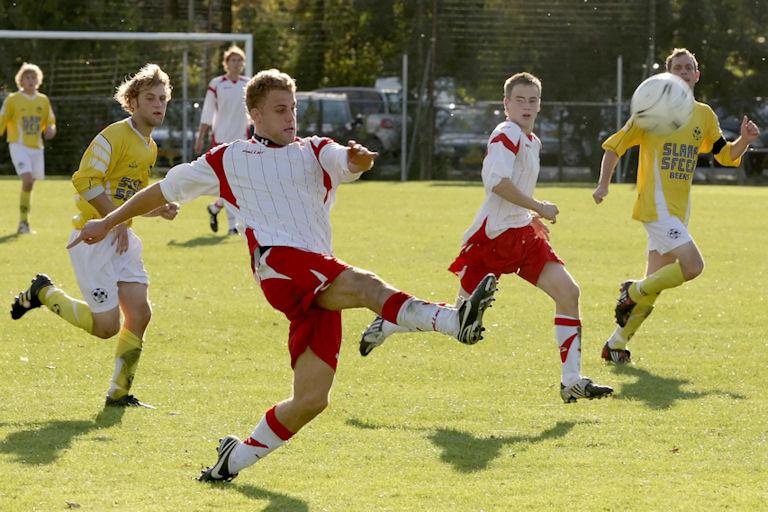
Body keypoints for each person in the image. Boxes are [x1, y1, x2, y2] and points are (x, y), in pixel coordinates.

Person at [67, 68, 498, 481]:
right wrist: (106, 222)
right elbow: (160, 191)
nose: (289, 117)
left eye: (292, 108)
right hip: (279, 265)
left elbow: (344, 161)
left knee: (311, 400)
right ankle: (451, 320)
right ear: (253, 115)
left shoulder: (314, 149)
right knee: (367, 285)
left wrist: (357, 159)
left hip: (318, 275)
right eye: (279, 109)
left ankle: (231, 461)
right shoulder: (227, 158)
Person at [359, 72, 613, 404]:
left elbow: (513, 189)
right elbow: (496, 182)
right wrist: (537, 205)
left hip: (522, 235)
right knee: (461, 324)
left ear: (540, 104)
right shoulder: (506, 133)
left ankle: (572, 381)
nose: (526, 105)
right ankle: (394, 319)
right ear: (506, 104)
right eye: (519, 100)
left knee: (568, 292)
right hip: (492, 238)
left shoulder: (531, 140)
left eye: (532, 100)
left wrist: (531, 216)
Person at [10, 64, 179, 409]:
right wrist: (112, 220)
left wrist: (156, 210)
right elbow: (84, 180)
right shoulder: (113, 136)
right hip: (93, 238)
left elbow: (130, 200)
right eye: (150, 98)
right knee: (105, 327)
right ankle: (44, 292)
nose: (158, 105)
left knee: (140, 313)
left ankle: (119, 393)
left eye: (163, 99)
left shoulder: (149, 147)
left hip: (121, 239)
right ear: (132, 102)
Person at [593, 48, 760, 364]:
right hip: (656, 208)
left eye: (689, 68)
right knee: (693, 267)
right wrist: (604, 184)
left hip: (678, 211)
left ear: (697, 74)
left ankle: (616, 344)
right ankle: (632, 291)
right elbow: (614, 147)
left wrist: (745, 140)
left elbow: (725, 155)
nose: (684, 72)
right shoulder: (652, 110)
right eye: (678, 68)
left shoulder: (704, 115)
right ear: (668, 75)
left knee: (655, 285)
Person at [194, 44, 251, 235]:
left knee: (240, 184)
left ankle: (216, 207)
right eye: (233, 60)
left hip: (243, 140)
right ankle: (232, 226)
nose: (237, 63)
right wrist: (200, 136)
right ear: (226, 63)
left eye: (239, 60)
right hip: (221, 140)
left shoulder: (248, 83)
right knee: (230, 183)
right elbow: (207, 112)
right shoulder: (216, 84)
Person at [0, 63, 56, 234]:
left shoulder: (43, 100)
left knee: (30, 185)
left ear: (38, 80)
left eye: (34, 77)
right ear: (21, 81)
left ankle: (24, 222)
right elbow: (2, 119)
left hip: (37, 148)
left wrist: (51, 130)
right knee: (27, 180)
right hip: (18, 145)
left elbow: (50, 122)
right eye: (27, 78)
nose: (31, 80)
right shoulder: (13, 100)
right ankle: (23, 224)